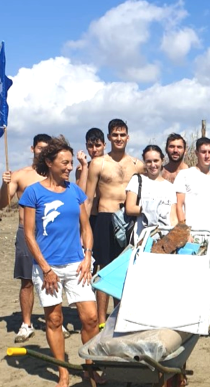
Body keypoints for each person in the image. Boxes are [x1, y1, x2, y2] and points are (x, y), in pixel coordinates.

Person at [19, 136, 100, 387]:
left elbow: (86, 227)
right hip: (48, 268)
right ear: (49, 162)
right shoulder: (33, 192)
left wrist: (88, 255)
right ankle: (62, 372)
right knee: (54, 320)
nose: (68, 167)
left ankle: (90, 368)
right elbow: (29, 235)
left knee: (90, 317)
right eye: (64, 163)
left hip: (77, 264)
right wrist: (45, 268)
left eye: (69, 163)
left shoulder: (75, 190)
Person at [85, 119, 144, 328]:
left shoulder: (138, 165)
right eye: (115, 135)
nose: (118, 138)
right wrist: (83, 229)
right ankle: (102, 319)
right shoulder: (98, 163)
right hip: (106, 216)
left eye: (122, 135)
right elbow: (88, 198)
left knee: (126, 269)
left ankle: (121, 315)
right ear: (109, 137)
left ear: (128, 137)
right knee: (104, 267)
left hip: (130, 219)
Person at [0, 133, 54, 343]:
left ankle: (54, 320)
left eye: (47, 149)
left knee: (54, 276)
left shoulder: (55, 175)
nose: (43, 152)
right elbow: (2, 204)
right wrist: (5, 184)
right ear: (33, 149)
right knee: (27, 280)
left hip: (50, 233)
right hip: (26, 232)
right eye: (40, 148)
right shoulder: (20, 175)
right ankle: (26, 323)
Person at [174, 137, 210, 256]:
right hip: (192, 236)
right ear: (196, 153)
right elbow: (179, 206)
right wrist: (185, 233)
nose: (207, 156)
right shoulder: (185, 175)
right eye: (203, 152)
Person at [124, 145, 177, 241]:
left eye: (156, 161)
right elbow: (129, 208)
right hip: (141, 240)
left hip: (164, 241)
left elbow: (173, 218)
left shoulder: (170, 187)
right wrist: (153, 209)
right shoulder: (137, 180)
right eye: (149, 161)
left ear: (162, 160)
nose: (153, 165)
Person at [76, 128, 106, 227]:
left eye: (98, 146)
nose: (94, 150)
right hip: (90, 216)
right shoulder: (81, 168)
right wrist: (85, 167)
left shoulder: (110, 166)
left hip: (106, 215)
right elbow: (80, 194)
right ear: (86, 146)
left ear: (104, 145)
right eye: (90, 146)